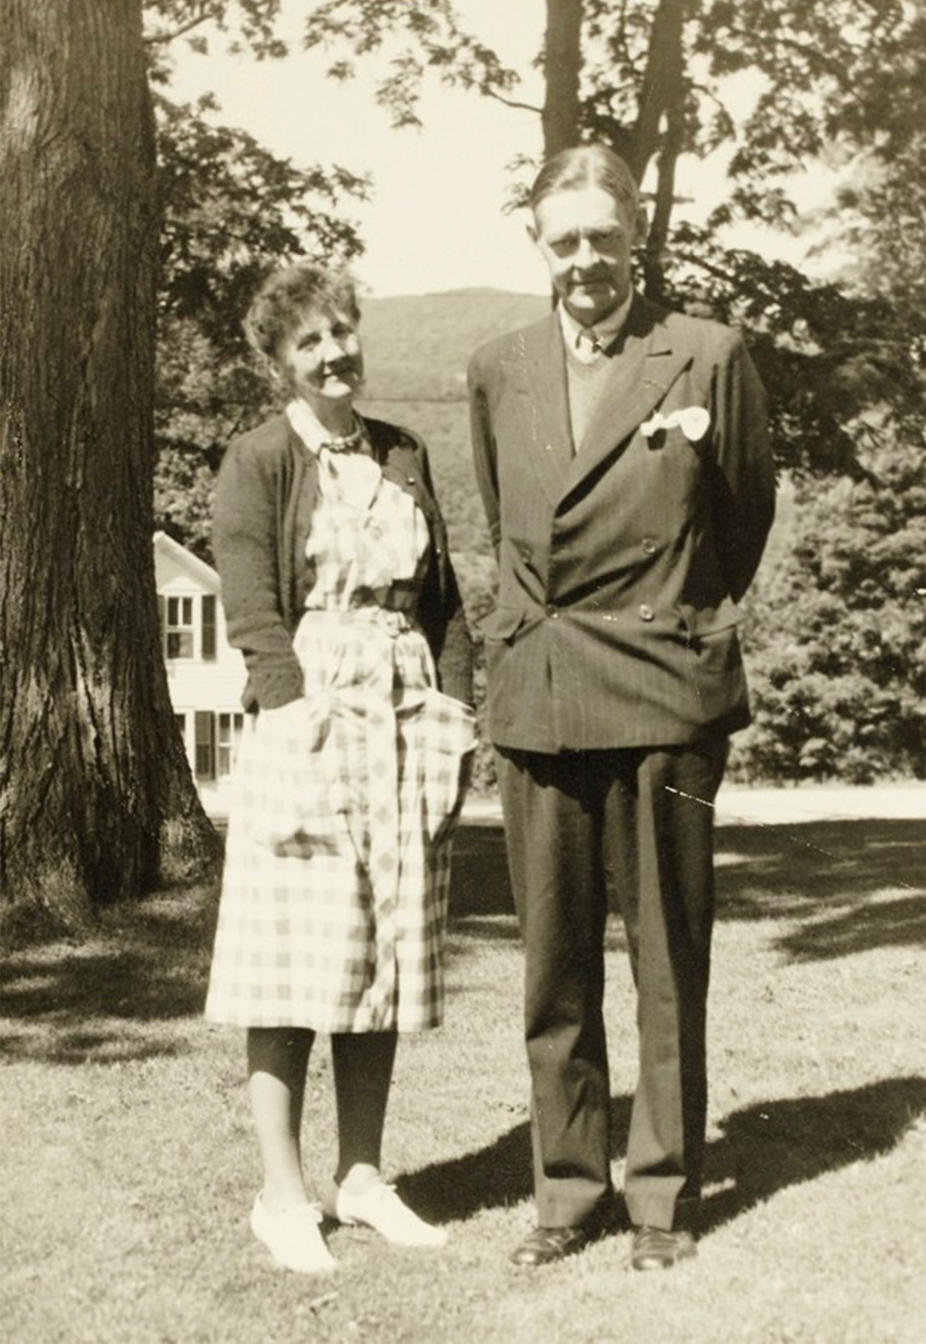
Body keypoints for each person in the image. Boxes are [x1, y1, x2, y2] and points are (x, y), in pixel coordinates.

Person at [468, 145, 775, 1271]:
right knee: (554, 964)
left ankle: (660, 1196)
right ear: (537, 246)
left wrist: (680, 618)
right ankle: (566, 1189)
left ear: (636, 232)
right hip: (542, 693)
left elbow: (744, 520)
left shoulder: (705, 354)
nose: (586, 260)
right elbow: (509, 517)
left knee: (665, 957)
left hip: (667, 692)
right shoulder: (498, 364)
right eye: (565, 240)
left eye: (605, 235)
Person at [205, 263, 475, 1274]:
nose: (334, 355)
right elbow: (253, 612)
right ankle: (282, 1197)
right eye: (310, 342)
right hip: (309, 716)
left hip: (405, 719)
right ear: (280, 361)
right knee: (293, 968)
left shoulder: (404, 453)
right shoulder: (261, 459)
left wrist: (455, 709)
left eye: (343, 333)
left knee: (383, 958)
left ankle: (361, 1178)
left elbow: (440, 597)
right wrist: (295, 718)